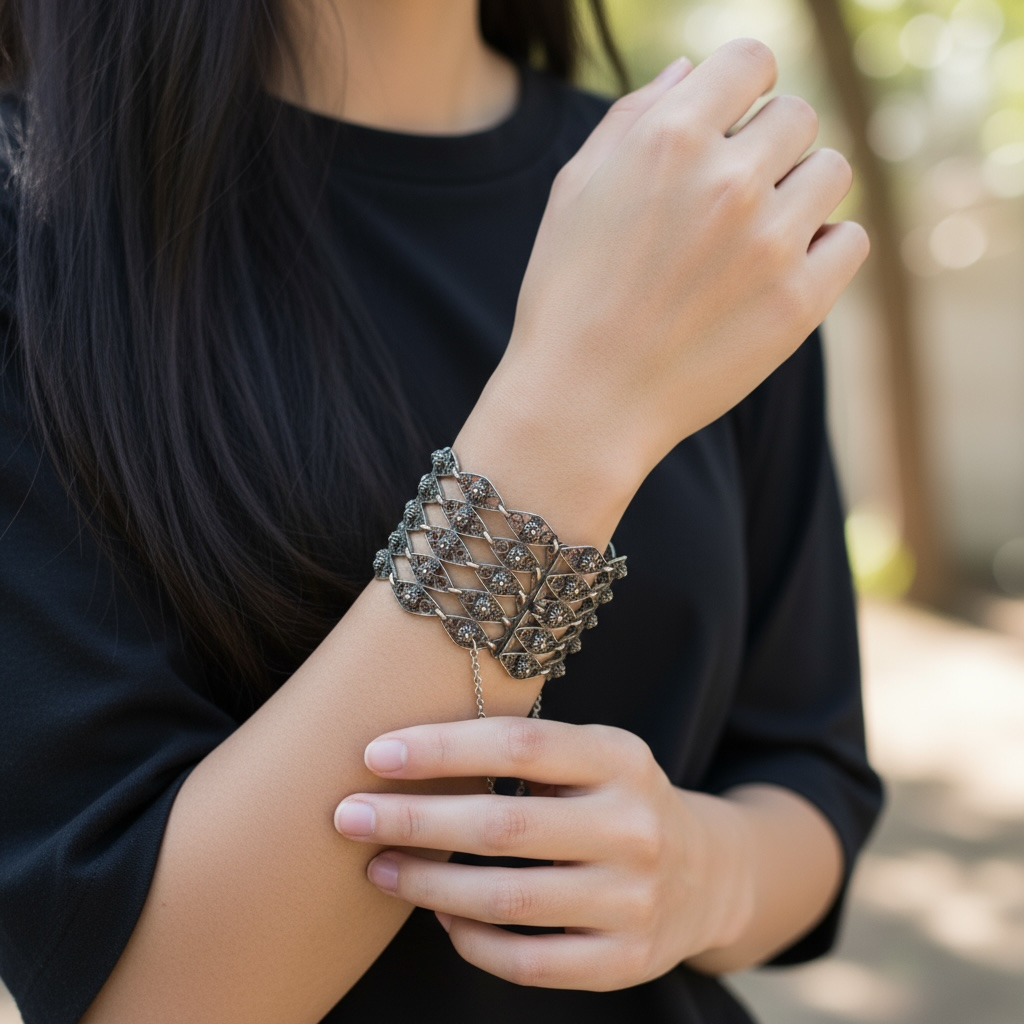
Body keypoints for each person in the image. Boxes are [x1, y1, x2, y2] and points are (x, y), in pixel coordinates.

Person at [0, 0, 882, 1021]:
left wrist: (698, 873)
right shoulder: (37, 227)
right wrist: (572, 418)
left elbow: (807, 771)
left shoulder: (684, 197)